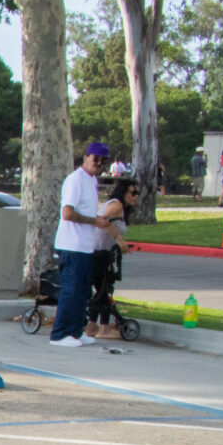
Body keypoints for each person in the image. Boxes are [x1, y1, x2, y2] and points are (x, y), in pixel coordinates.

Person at [52, 141, 115, 348]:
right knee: (71, 290)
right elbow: (67, 213)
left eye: (102, 161)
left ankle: (76, 331)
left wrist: (97, 219)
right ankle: (60, 334)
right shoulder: (75, 180)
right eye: (95, 159)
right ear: (85, 157)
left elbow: (86, 211)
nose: (98, 164)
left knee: (82, 291)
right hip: (71, 244)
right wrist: (94, 221)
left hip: (85, 245)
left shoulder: (91, 180)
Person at [86, 177, 138, 338]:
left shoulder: (120, 208)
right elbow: (102, 221)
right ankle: (100, 328)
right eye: (133, 192)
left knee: (104, 289)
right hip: (97, 253)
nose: (136, 196)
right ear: (123, 192)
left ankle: (95, 326)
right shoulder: (116, 205)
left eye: (138, 193)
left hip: (103, 253)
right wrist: (119, 240)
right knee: (104, 290)